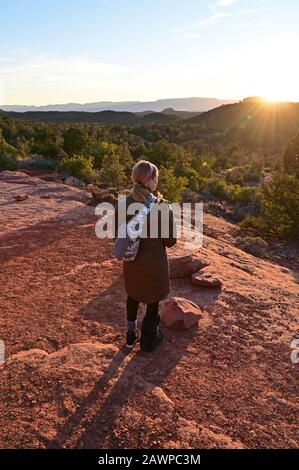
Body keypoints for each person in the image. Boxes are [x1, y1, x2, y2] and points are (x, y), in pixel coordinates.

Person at [114, 160, 177, 351]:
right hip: (154, 264)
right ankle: (149, 338)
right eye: (156, 177)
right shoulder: (162, 207)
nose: (157, 180)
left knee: (133, 295)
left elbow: (117, 235)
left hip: (132, 263)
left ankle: (131, 334)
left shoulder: (123, 204)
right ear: (149, 181)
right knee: (152, 299)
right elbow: (170, 241)